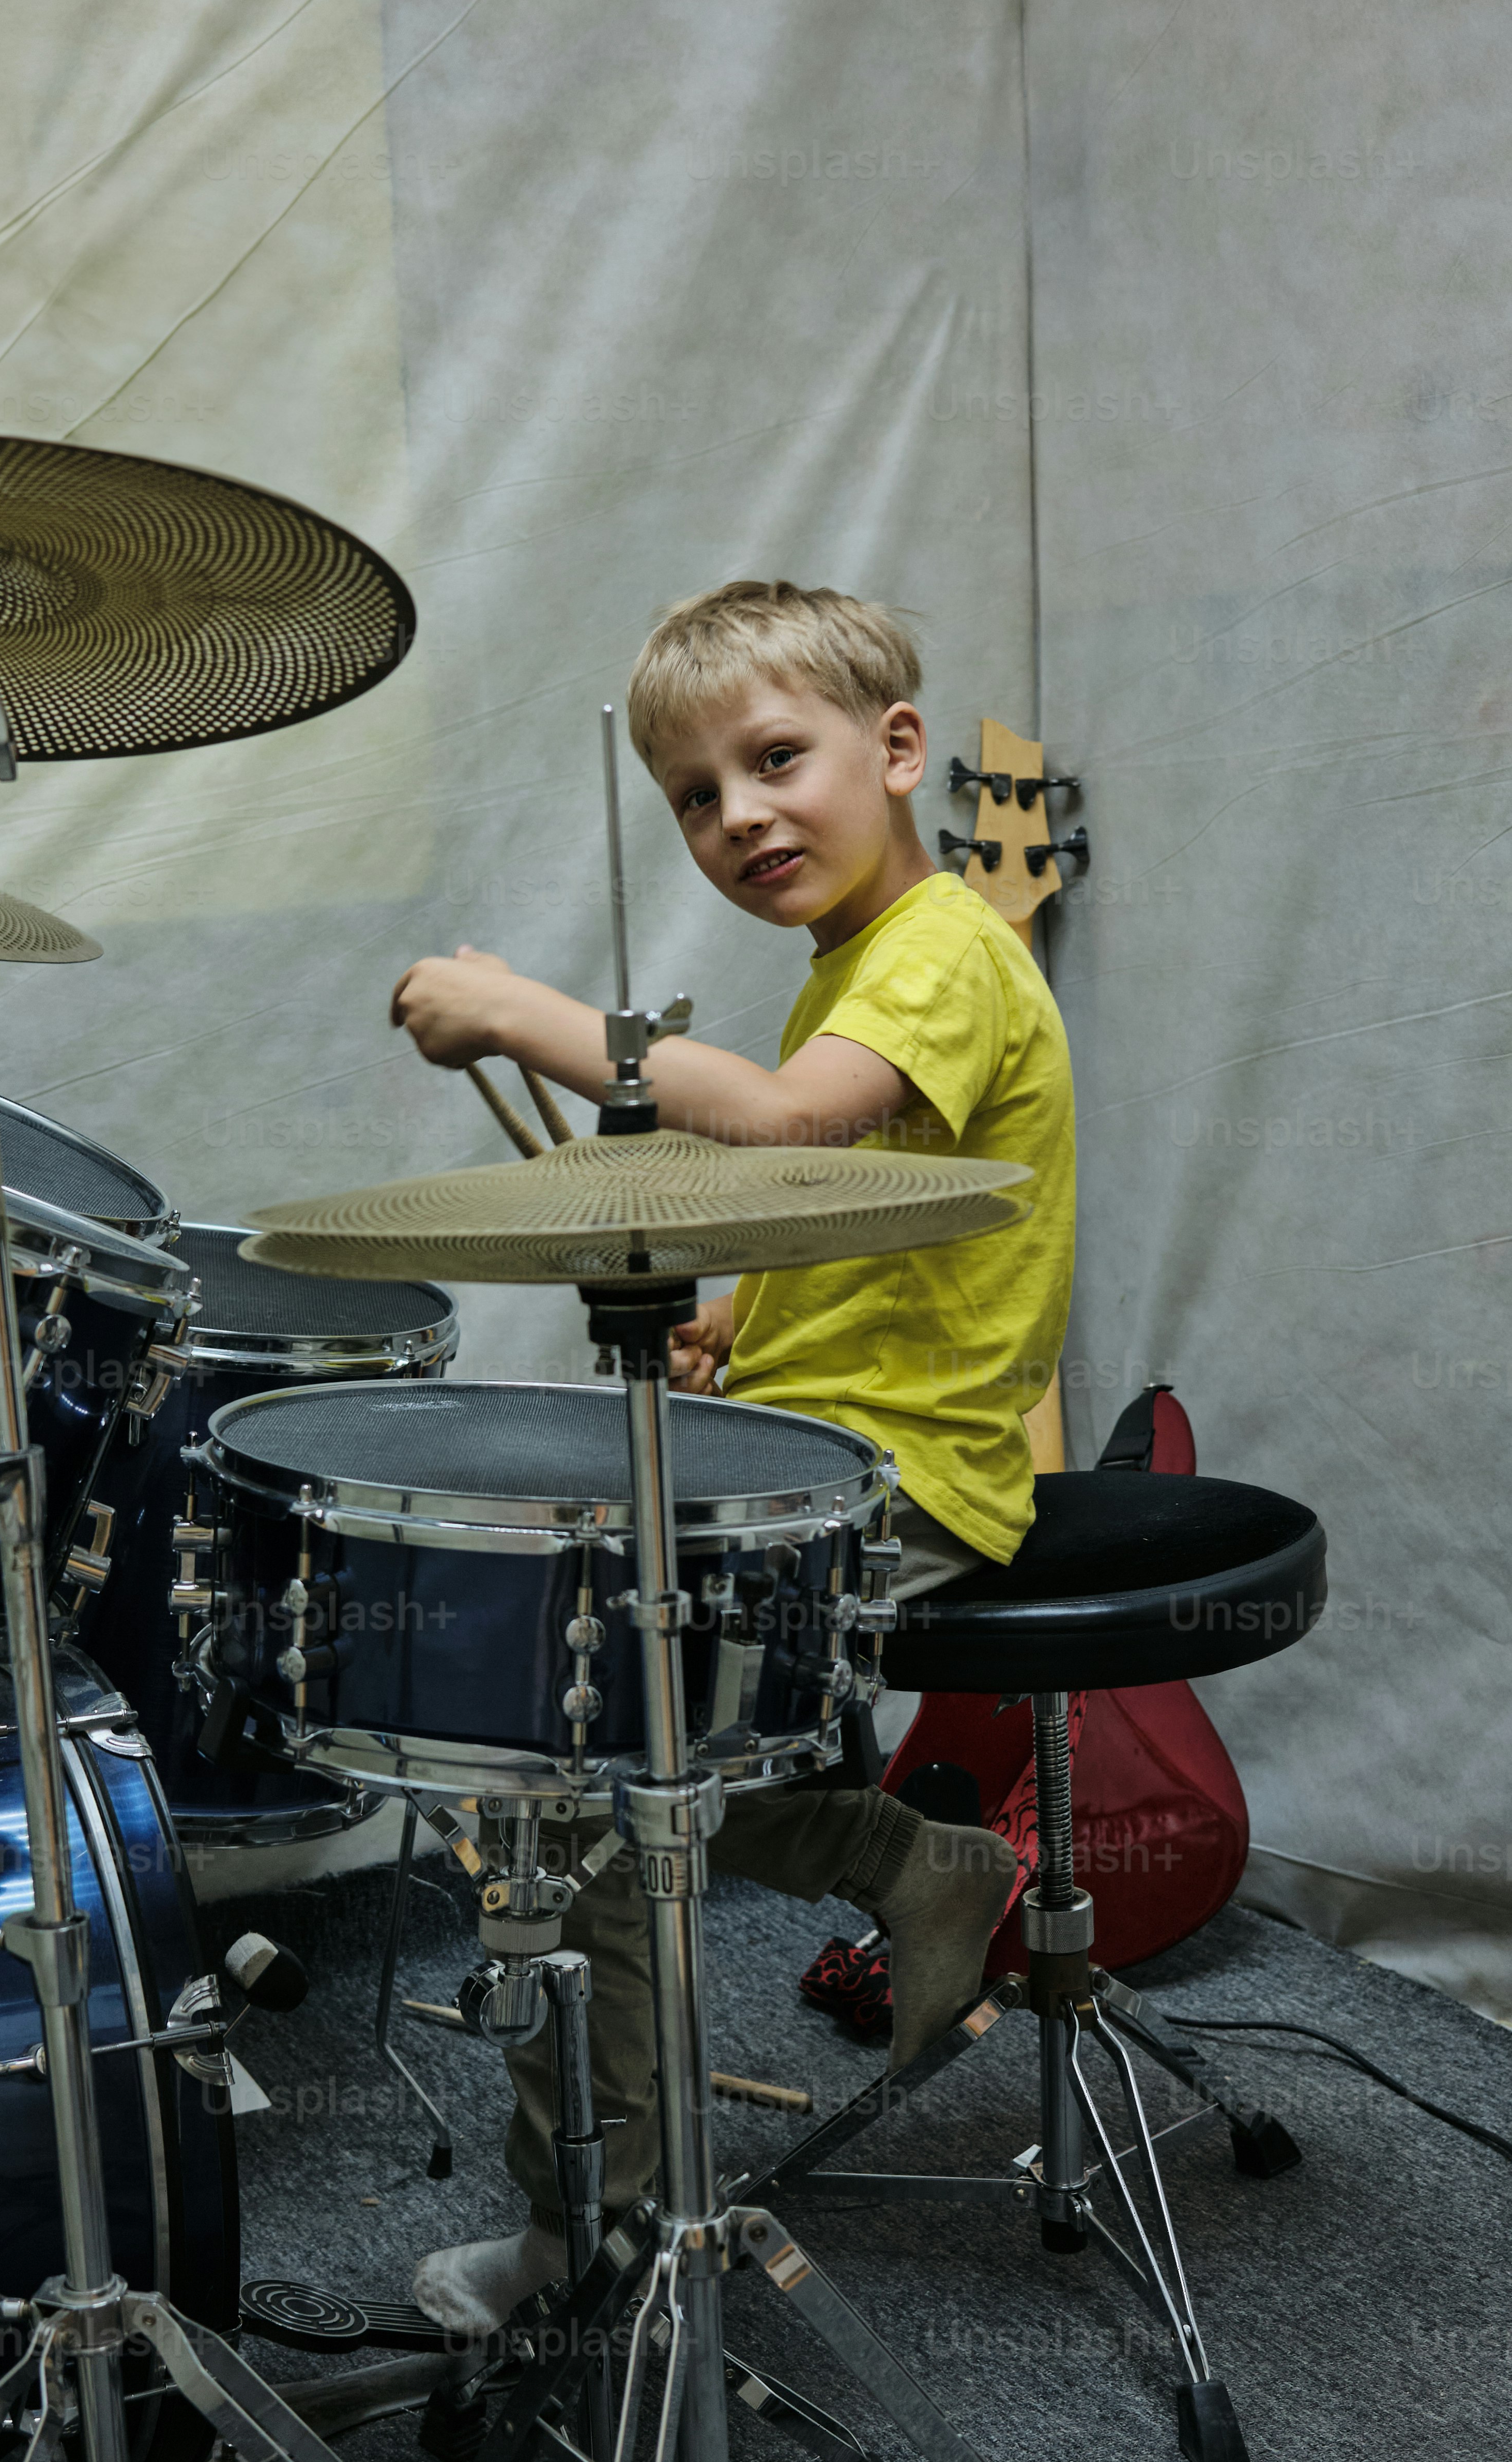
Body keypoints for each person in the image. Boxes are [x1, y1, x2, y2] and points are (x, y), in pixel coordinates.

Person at [388, 579, 1075, 2334]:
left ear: (899, 748)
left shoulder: (939, 949)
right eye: (696, 795)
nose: (738, 815)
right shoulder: (862, 967)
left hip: (894, 1476)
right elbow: (859, 1207)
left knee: (572, 1788)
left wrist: (544, 1017)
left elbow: (786, 1127)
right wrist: (731, 1332)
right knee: (619, 1753)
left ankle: (590, 2230)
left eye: (775, 760)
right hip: (824, 1443)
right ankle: (906, 1861)